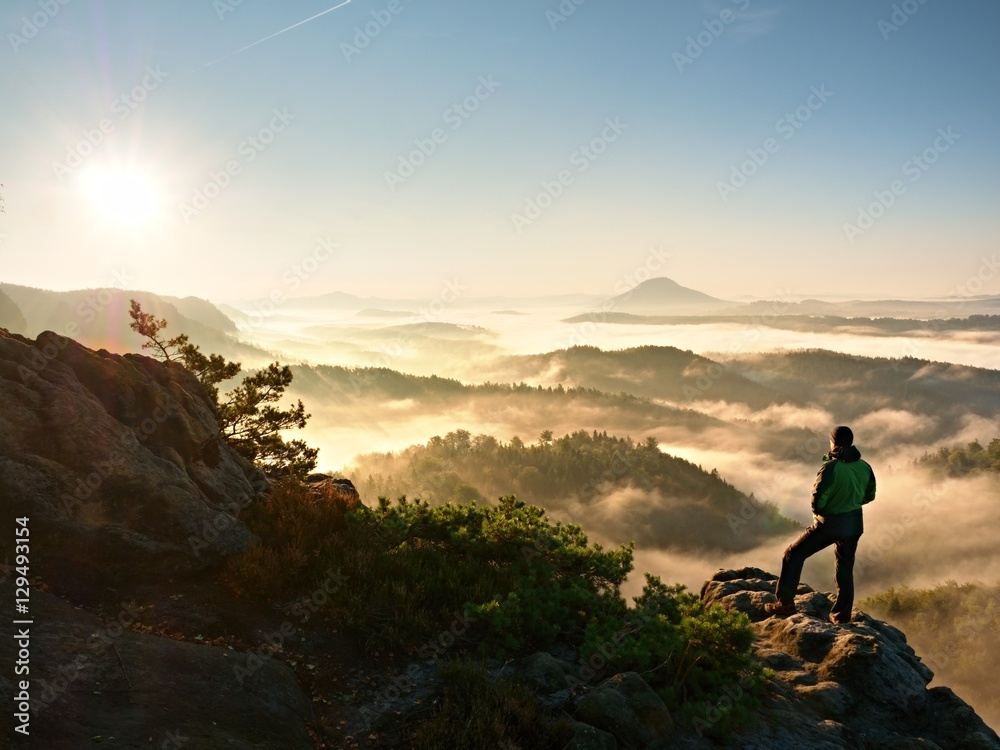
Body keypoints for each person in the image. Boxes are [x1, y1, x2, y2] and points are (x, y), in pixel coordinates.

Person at [764, 426, 876, 624]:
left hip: (830, 523)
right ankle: (841, 616)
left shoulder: (830, 467)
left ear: (833, 442)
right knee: (844, 568)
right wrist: (851, 502)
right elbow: (870, 495)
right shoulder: (865, 466)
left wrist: (821, 513)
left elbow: (817, 500)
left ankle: (785, 603)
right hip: (855, 523)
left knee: (793, 554)